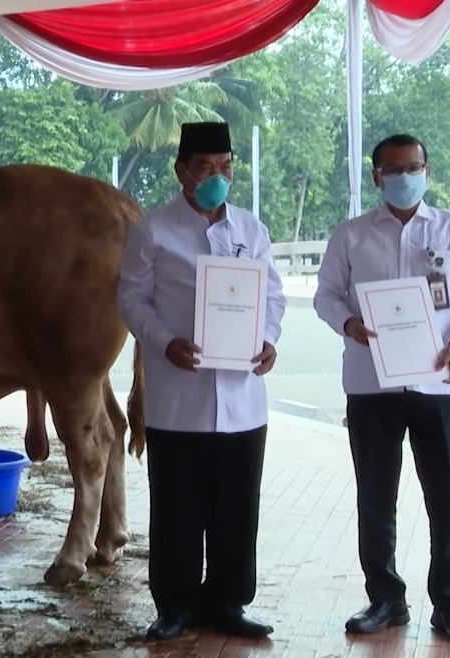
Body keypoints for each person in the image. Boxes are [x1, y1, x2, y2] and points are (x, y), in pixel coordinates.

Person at [312, 133, 450, 646]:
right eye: (393, 171)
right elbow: (325, 295)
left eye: (413, 167)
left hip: (442, 384)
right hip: (371, 385)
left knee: (446, 501)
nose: (404, 177)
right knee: (375, 497)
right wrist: (349, 324)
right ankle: (385, 599)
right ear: (377, 177)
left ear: (427, 169)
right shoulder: (351, 236)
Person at [117, 121, 286, 641]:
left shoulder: (251, 231)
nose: (219, 177)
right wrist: (164, 340)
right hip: (178, 396)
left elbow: (273, 297)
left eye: (227, 167)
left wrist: (268, 339)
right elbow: (131, 299)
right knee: (177, 508)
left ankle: (228, 603)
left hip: (242, 399)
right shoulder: (154, 231)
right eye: (207, 168)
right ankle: (175, 605)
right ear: (182, 171)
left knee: (237, 508)